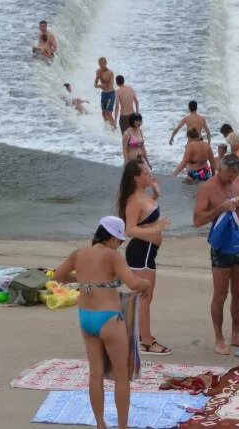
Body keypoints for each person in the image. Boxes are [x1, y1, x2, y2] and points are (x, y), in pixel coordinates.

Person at [54, 217, 149, 429]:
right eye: (120, 240)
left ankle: (100, 424)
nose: (121, 244)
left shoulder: (79, 253)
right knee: (121, 375)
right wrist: (147, 282)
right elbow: (132, 282)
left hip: (86, 317)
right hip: (108, 319)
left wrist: (83, 281)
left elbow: (59, 275)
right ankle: (123, 426)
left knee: (95, 373)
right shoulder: (112, 256)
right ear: (112, 237)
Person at [193, 154, 239, 354]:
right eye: (228, 175)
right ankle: (219, 338)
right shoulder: (207, 188)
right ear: (220, 168)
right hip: (221, 246)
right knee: (220, 293)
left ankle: (236, 335)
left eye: (234, 175)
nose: (231, 179)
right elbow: (197, 220)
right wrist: (220, 208)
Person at [117, 161, 171, 355]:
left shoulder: (144, 196)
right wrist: (155, 230)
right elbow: (129, 229)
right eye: (146, 174)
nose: (150, 176)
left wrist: (156, 194)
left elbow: (148, 216)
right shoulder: (133, 201)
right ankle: (146, 342)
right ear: (136, 178)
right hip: (141, 251)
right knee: (144, 297)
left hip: (148, 251)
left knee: (146, 296)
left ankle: (142, 336)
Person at [95, 58, 116, 129]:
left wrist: (99, 85)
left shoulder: (110, 73)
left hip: (110, 94)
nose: (101, 65)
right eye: (99, 64)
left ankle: (114, 128)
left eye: (102, 64)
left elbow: (106, 85)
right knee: (103, 113)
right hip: (103, 94)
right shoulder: (98, 71)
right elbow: (95, 84)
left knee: (109, 113)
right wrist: (97, 84)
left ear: (106, 63)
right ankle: (107, 128)